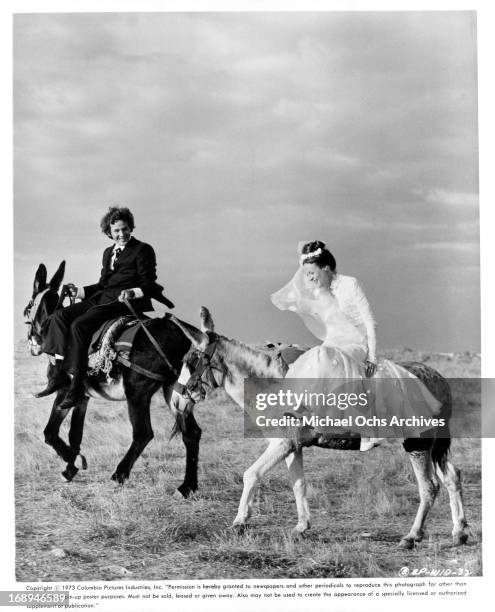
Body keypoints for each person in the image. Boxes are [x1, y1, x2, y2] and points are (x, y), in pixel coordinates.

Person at [271, 240, 441, 451]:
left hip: (356, 343)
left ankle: (366, 429)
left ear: (326, 268)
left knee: (327, 356)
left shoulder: (350, 284)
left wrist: (371, 356)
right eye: (305, 274)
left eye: (312, 272)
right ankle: (308, 417)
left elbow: (370, 322)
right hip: (333, 344)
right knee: (312, 357)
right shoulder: (319, 292)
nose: (309, 277)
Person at [38, 206, 174, 409]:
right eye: (116, 231)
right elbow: (102, 285)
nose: (121, 234)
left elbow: (149, 283)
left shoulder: (143, 249)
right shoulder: (108, 252)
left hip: (124, 303)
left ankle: (76, 387)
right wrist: (79, 292)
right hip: (101, 298)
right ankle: (58, 375)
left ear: (131, 227)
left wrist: (133, 292)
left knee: (79, 326)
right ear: (109, 232)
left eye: (125, 229)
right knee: (59, 316)